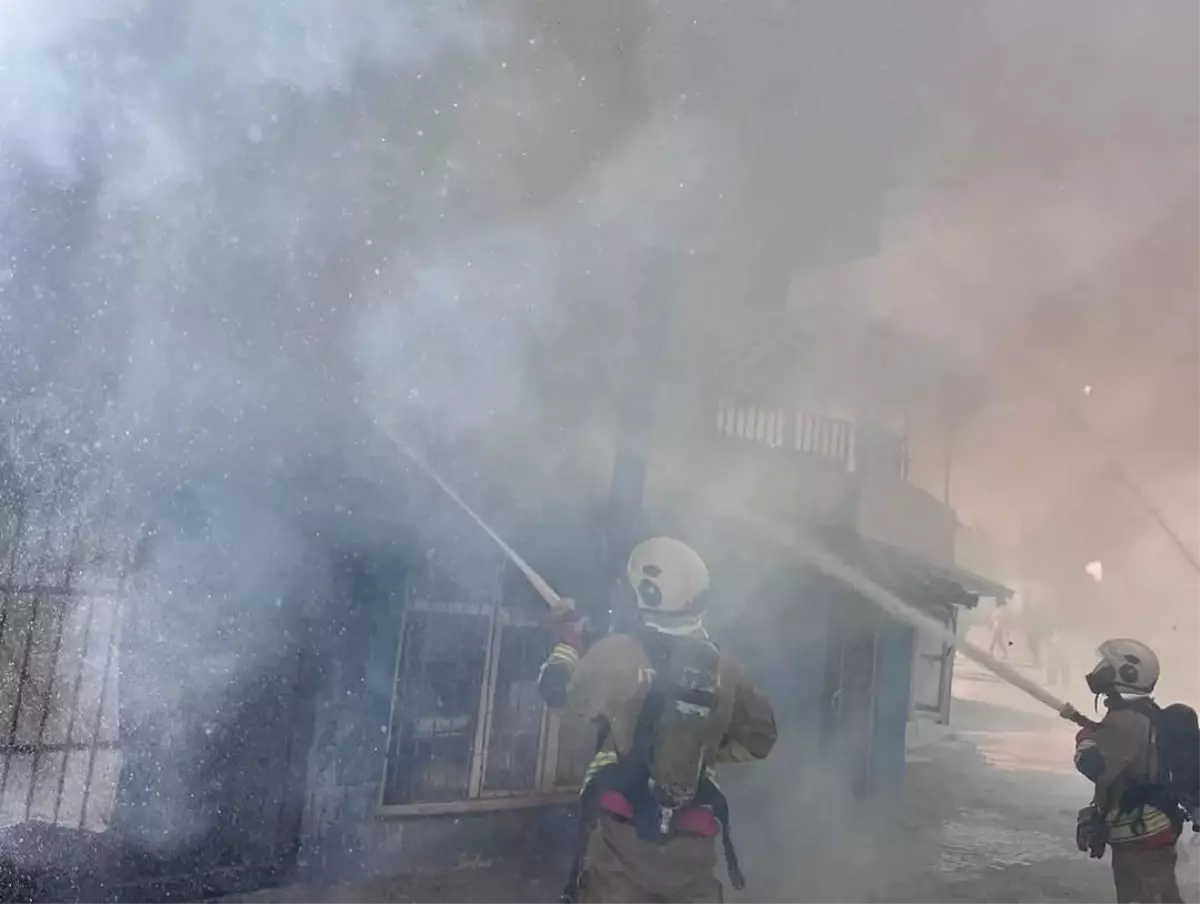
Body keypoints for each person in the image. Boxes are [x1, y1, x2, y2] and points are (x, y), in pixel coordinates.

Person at [537, 536, 778, 904]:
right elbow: (763, 736)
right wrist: (702, 753)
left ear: (645, 595)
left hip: (623, 852)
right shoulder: (724, 668)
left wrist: (569, 645)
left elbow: (568, 733)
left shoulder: (613, 655)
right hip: (692, 856)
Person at [1066, 639, 1186, 904]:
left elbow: (1094, 766)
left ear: (1128, 673)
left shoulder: (1125, 720)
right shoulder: (1139, 713)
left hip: (1141, 839)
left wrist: (1084, 739)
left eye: (1106, 667)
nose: (1098, 671)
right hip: (1150, 832)